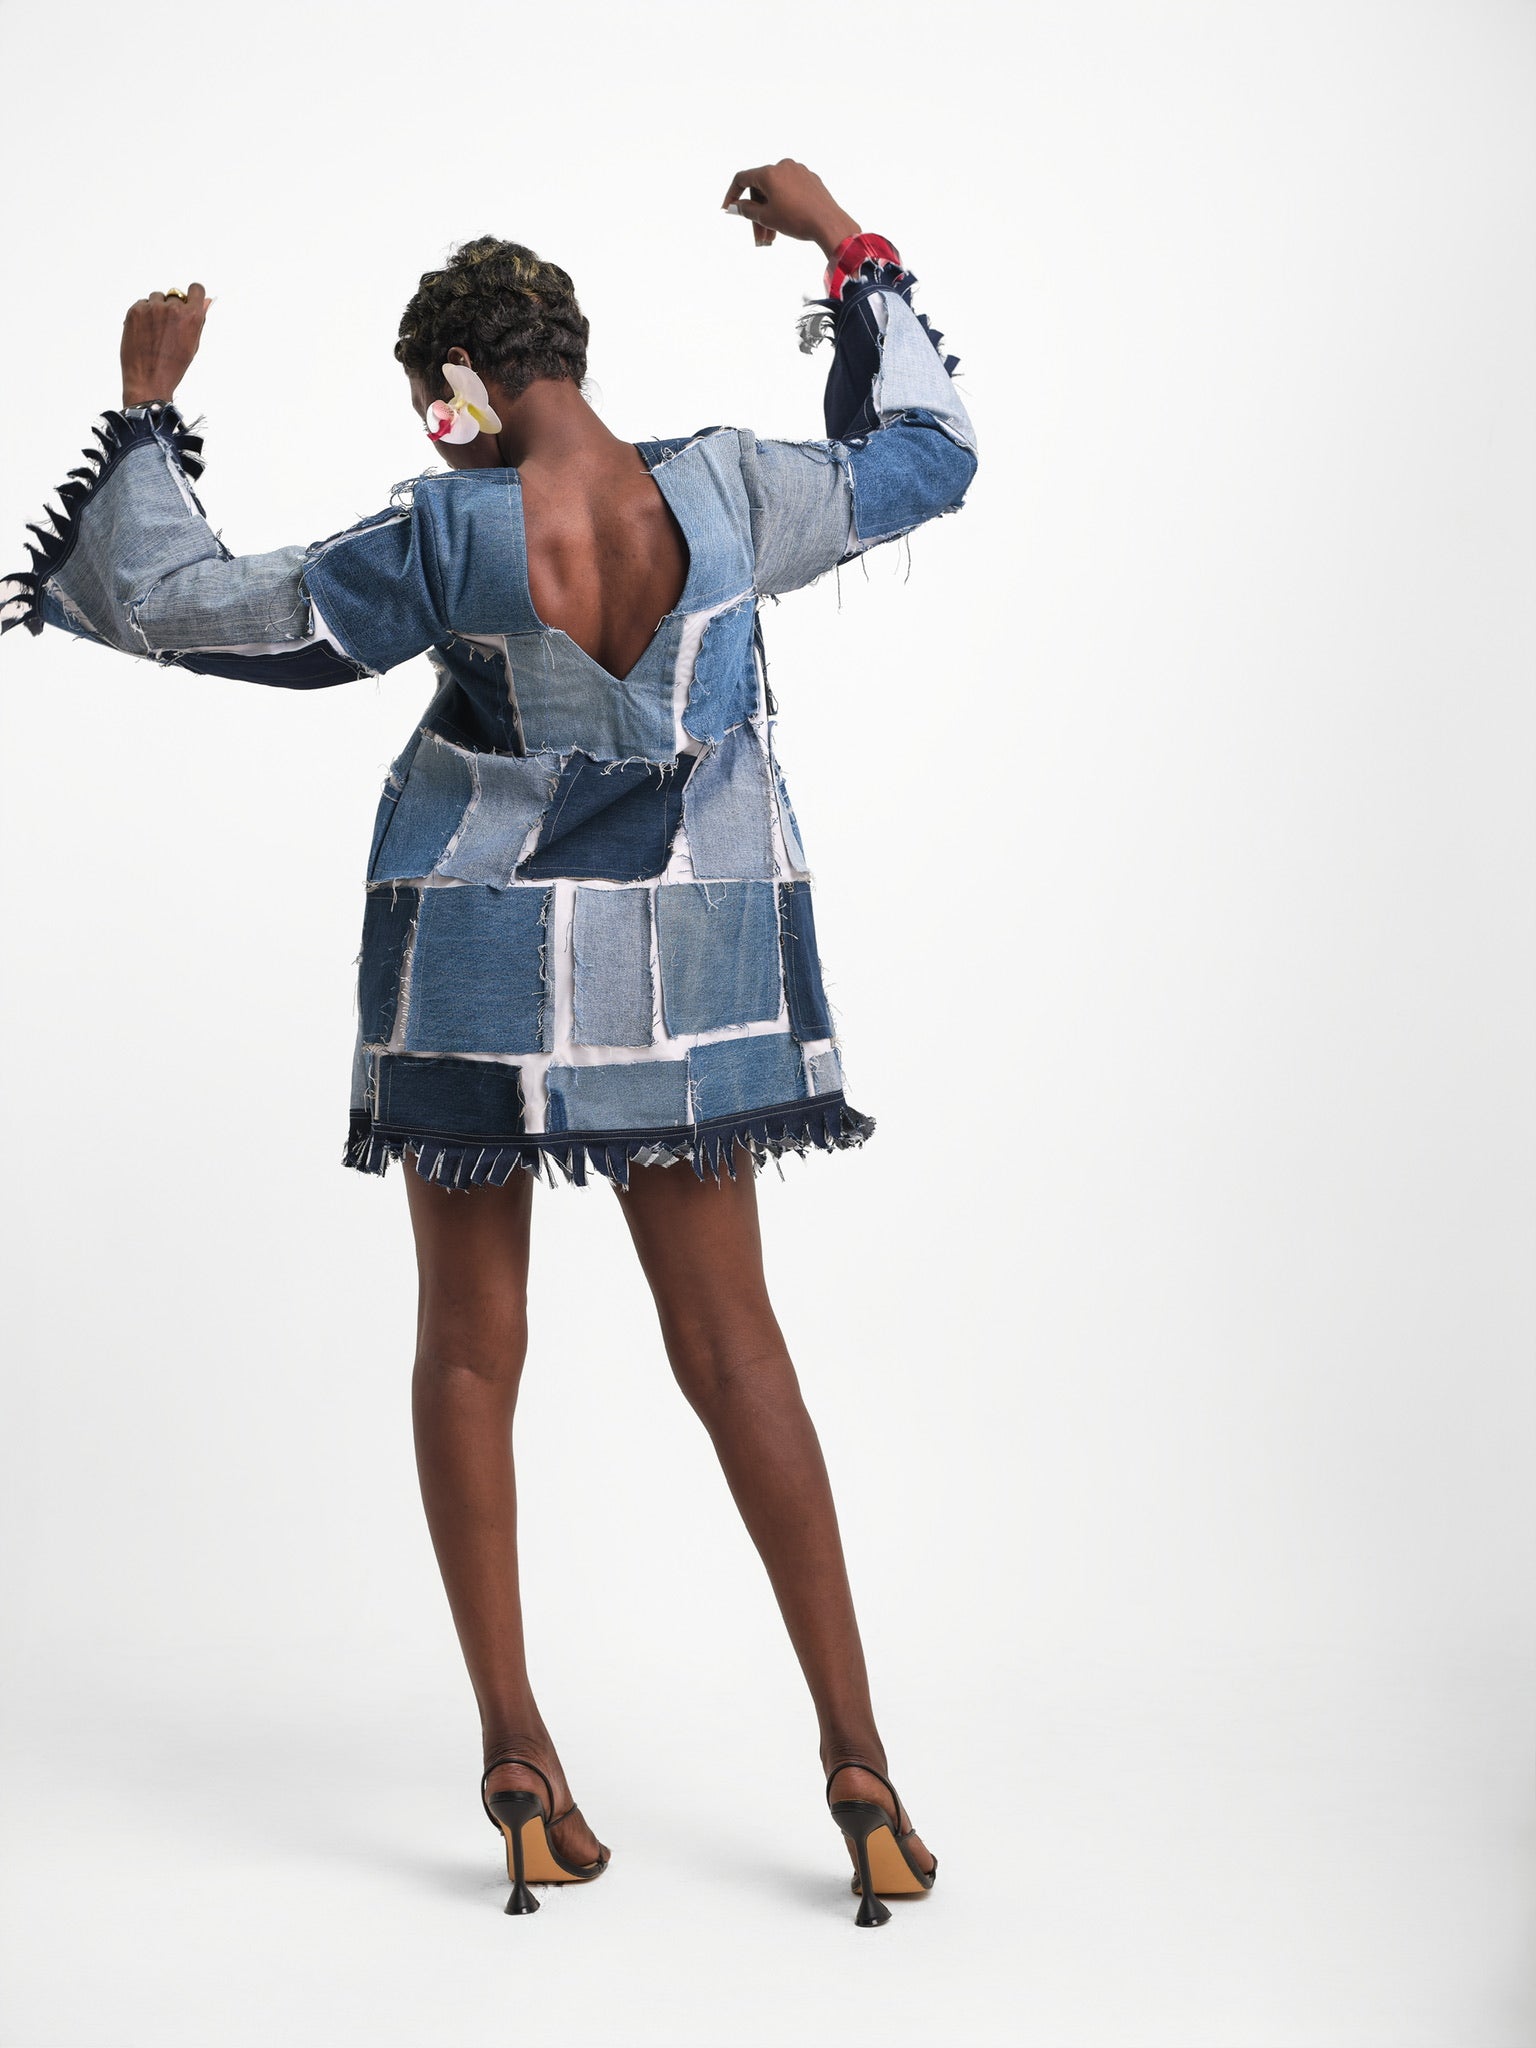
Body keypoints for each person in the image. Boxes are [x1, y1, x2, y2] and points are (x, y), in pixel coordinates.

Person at [2, 159, 977, 1926]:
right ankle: (861, 1767)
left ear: (456, 388)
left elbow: (188, 605)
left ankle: (518, 1756)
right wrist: (846, 245)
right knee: (736, 1349)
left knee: (469, 1352)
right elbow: (927, 452)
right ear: (568, 353)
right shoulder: (736, 492)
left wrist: (144, 416)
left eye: (428, 404)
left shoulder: (445, 537)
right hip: (693, 972)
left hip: (474, 971)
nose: (432, 431)